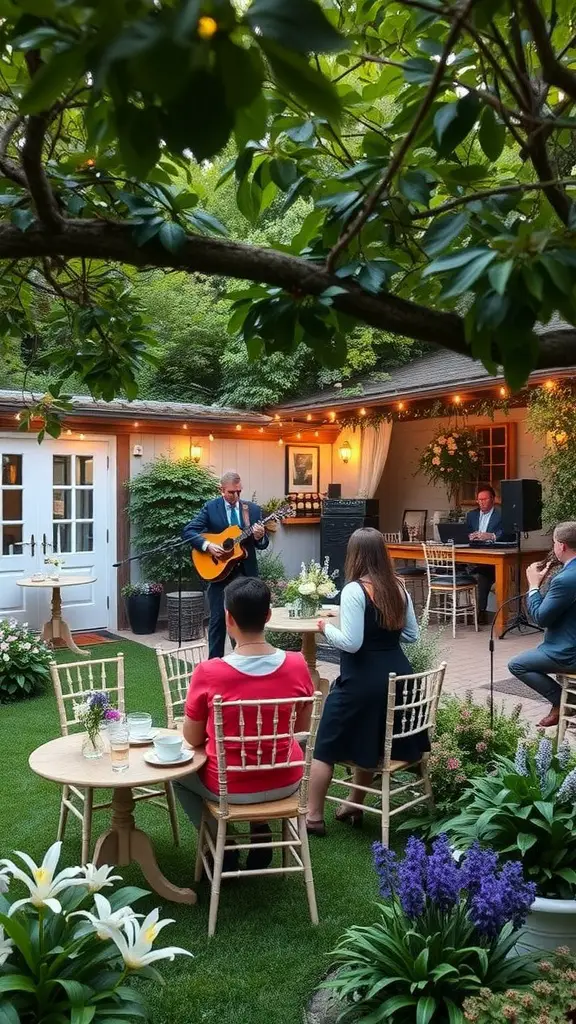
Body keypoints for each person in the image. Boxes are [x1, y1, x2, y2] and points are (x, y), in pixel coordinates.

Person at [174, 576, 315, 871]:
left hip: (229, 786)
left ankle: (222, 844)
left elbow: (192, 738)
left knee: (178, 778)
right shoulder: (297, 663)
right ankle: (260, 827)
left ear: (227, 618)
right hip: (287, 780)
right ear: (268, 615)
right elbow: (300, 728)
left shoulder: (209, 672)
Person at [305, 527, 424, 836]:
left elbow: (352, 642)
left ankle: (314, 816)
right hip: (401, 682)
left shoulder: (355, 590)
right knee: (369, 739)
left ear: (354, 555)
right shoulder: (398, 586)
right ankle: (353, 805)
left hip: (363, 681)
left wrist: (325, 628)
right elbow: (412, 635)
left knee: (324, 746)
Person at [182, 471, 269, 658]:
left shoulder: (252, 510)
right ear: (221, 490)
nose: (236, 496)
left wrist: (260, 537)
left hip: (245, 572)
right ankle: (215, 664)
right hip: (218, 572)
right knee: (218, 620)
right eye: (231, 492)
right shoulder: (211, 508)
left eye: (239, 491)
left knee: (245, 619)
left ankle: (244, 660)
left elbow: (262, 544)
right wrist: (208, 546)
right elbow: (189, 531)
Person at [508, 520, 576, 728]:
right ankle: (561, 705)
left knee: (517, 664)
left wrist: (534, 586)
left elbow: (540, 618)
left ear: (561, 546)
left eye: (554, 542)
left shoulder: (565, 579)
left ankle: (566, 700)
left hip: (567, 652)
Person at [465, 485, 507, 624]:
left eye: (485, 499)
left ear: (493, 499)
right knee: (452, 568)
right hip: (472, 556)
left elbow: (509, 533)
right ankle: (455, 612)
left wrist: (492, 536)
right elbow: (465, 532)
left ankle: (481, 612)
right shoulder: (471, 515)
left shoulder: (502, 514)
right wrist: (470, 536)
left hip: (492, 558)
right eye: (479, 500)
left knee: (483, 575)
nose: (481, 502)